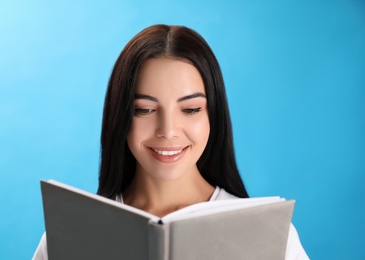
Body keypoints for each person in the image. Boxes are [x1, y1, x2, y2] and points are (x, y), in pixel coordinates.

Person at [33, 24, 309, 259]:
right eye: (144, 109)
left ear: (214, 115)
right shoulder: (69, 235)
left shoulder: (272, 237)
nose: (168, 131)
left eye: (190, 110)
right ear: (120, 117)